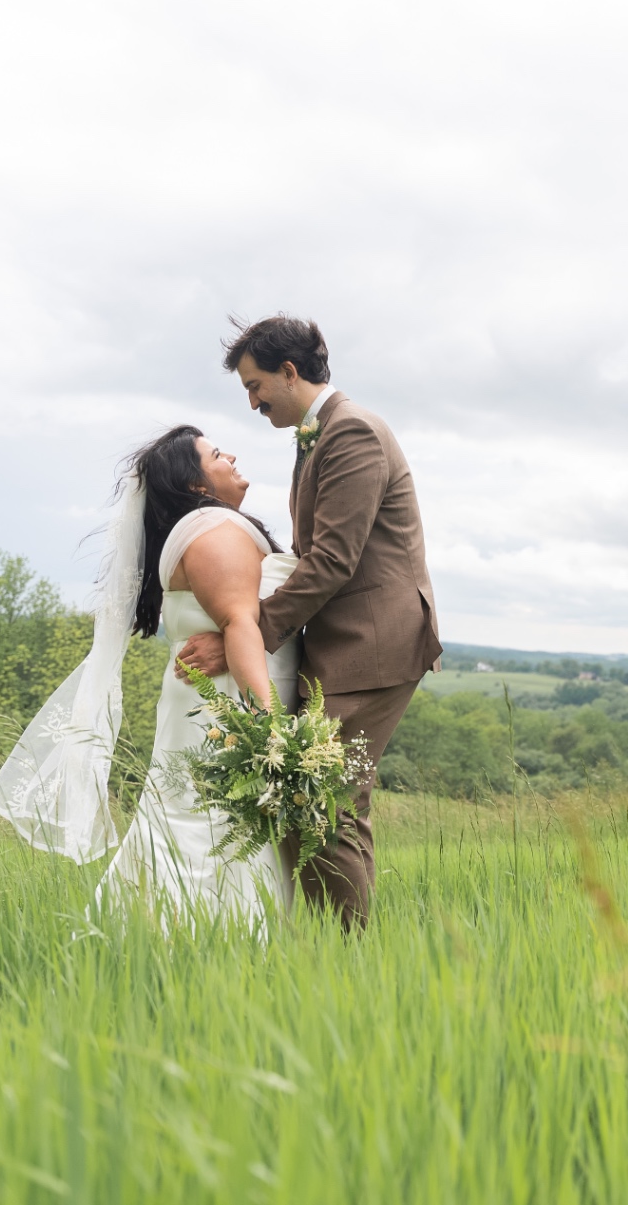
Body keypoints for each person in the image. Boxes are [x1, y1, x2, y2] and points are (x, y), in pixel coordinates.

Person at [176, 315, 441, 930]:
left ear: (289, 373)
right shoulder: (322, 434)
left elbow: (332, 560)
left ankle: (342, 958)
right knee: (316, 801)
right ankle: (336, 947)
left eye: (255, 385)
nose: (251, 401)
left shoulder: (352, 434)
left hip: (371, 647)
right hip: (344, 645)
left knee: (320, 803)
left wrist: (245, 636)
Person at [0, 425, 299, 931]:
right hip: (227, 711)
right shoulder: (216, 532)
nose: (232, 456)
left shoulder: (212, 529)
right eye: (217, 454)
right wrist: (272, 731)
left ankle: (169, 939)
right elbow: (241, 622)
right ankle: (209, 940)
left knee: (208, 821)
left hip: (213, 703)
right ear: (196, 485)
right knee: (211, 826)